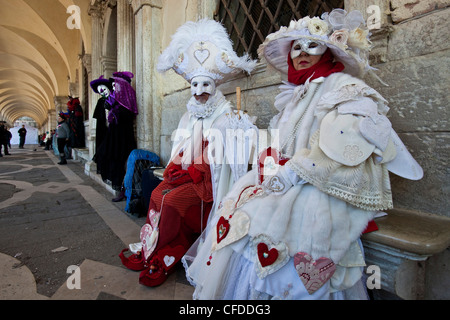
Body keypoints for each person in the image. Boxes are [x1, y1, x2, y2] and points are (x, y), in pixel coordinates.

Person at [183, 9, 424, 300]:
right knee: (237, 204)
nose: (302, 53)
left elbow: (343, 148)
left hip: (322, 184)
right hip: (288, 178)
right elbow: (284, 142)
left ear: (328, 52)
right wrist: (268, 154)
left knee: (271, 223)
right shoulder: (298, 93)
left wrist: (291, 172)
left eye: (312, 46)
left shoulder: (344, 88)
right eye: (296, 47)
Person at [119, 19, 258, 287]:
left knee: (171, 202)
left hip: (209, 183)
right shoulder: (189, 114)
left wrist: (234, 134)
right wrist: (179, 166)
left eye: (205, 86)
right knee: (158, 193)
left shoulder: (227, 114)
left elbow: (227, 156)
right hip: (187, 175)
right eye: (195, 86)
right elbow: (181, 148)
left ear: (214, 86)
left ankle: (167, 254)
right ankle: (152, 247)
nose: (200, 93)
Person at [90, 71, 138, 197]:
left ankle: (122, 189)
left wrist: (114, 114)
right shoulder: (113, 101)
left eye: (115, 86)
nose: (113, 89)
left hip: (122, 137)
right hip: (114, 137)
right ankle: (119, 188)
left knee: (119, 161)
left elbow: (125, 117)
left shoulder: (124, 104)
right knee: (108, 158)